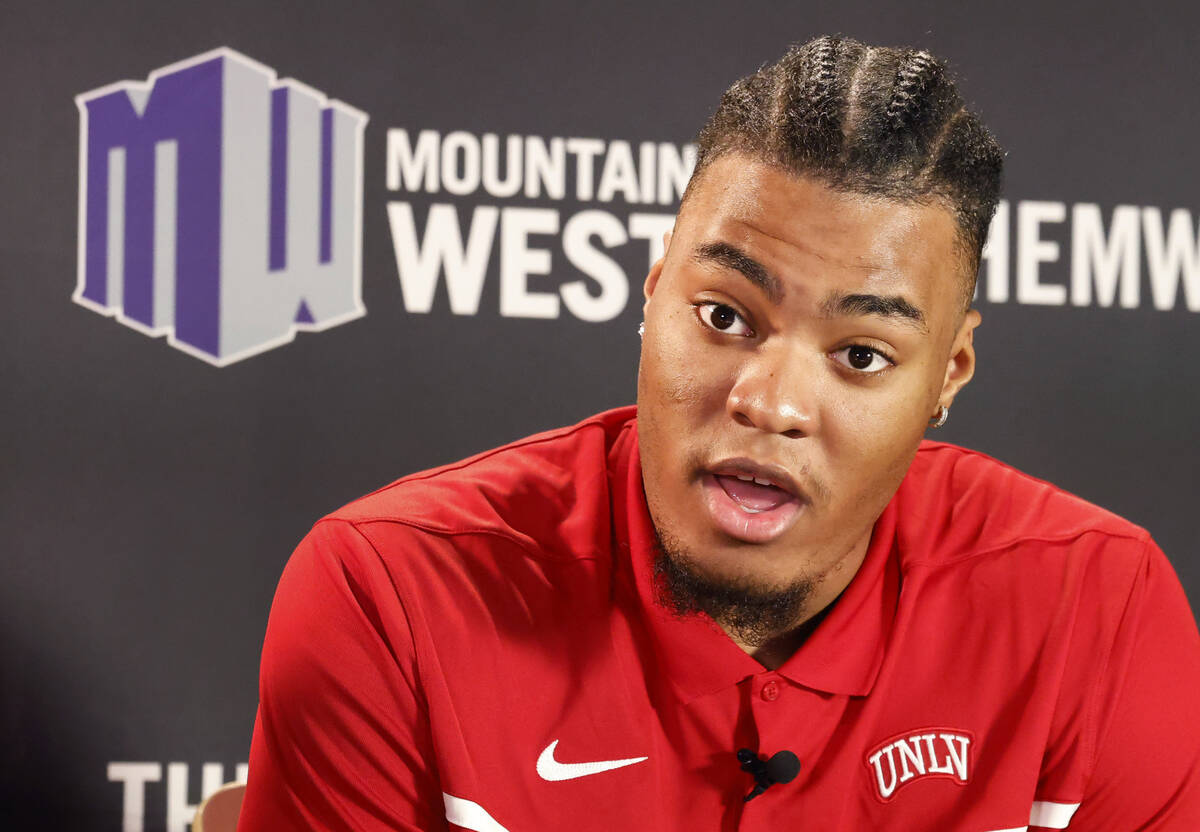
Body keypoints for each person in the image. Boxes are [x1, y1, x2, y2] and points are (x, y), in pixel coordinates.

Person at [236, 36, 1200, 831]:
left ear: (947, 375)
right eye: (726, 316)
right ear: (653, 293)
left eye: (861, 355)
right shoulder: (392, 595)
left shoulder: (1099, 610)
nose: (770, 402)